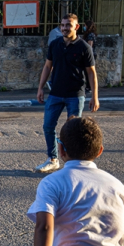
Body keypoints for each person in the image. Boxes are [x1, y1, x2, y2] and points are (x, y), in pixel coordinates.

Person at [27, 117, 124, 246]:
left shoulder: (52, 183)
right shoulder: (116, 185)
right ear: (100, 151)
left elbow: (44, 226)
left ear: (61, 149)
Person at [35, 13, 99, 173]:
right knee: (48, 126)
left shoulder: (84, 47)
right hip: (55, 93)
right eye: (62, 25)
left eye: (68, 25)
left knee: (74, 131)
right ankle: (53, 159)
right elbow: (47, 67)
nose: (64, 28)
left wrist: (95, 97)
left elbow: (91, 73)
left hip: (75, 95)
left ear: (76, 27)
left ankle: (74, 164)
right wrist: (40, 87)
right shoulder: (55, 44)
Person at [83, 20, 98, 93]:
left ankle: (89, 87)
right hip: (91, 54)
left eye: (85, 25)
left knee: (88, 71)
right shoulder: (91, 34)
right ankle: (89, 86)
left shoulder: (90, 35)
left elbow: (89, 46)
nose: (84, 27)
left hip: (90, 55)